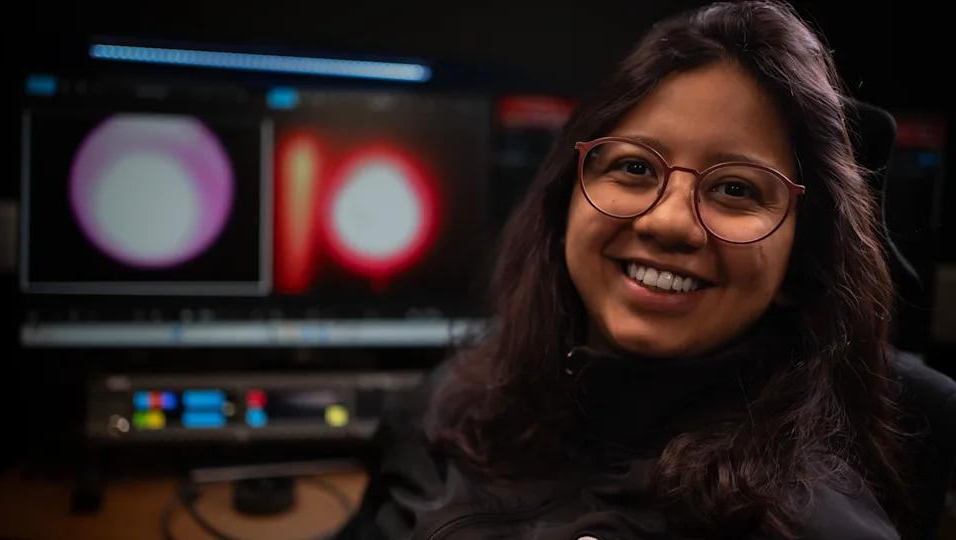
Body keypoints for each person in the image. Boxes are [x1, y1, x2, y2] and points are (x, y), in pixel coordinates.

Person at [336, 1, 917, 538]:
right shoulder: (454, 395)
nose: (669, 223)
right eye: (635, 167)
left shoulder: (807, 526)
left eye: (736, 188)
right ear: (565, 198)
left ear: (802, 262)